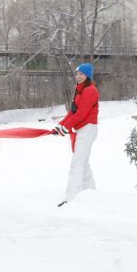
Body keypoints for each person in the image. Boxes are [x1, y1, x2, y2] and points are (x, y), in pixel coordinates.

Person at [53, 63, 99, 207]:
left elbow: (81, 114)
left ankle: (70, 198)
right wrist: (60, 126)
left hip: (88, 129)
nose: (78, 76)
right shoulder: (79, 91)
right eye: (77, 73)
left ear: (87, 76)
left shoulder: (90, 91)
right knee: (83, 163)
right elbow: (72, 113)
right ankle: (90, 192)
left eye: (81, 74)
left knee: (77, 163)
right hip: (82, 130)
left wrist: (65, 128)